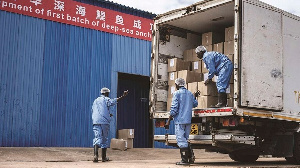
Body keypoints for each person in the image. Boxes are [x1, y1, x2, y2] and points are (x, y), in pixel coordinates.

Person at [165, 78, 200, 165]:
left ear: (177, 85)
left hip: (180, 120)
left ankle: (184, 160)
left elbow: (174, 108)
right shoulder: (189, 93)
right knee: (185, 138)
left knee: (181, 140)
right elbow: (195, 104)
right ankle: (190, 157)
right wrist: (194, 96)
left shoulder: (177, 94)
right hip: (188, 120)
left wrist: (168, 121)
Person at [92, 87, 129, 162]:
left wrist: (108, 114)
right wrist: (123, 96)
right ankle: (103, 157)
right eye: (108, 93)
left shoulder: (95, 100)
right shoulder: (106, 99)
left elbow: (96, 110)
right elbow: (113, 101)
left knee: (97, 137)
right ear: (106, 93)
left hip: (96, 121)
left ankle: (95, 155)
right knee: (104, 139)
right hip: (104, 122)